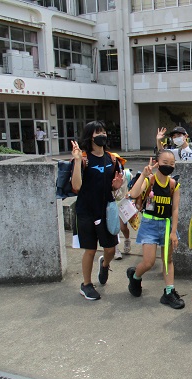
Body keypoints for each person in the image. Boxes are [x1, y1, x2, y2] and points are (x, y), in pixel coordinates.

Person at [71, 121, 123, 301]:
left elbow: (115, 187)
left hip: (106, 210)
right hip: (86, 211)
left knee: (110, 249)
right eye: (97, 132)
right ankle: (86, 284)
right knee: (90, 250)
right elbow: (76, 186)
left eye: (103, 131)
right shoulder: (84, 159)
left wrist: (116, 186)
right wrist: (77, 161)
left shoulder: (112, 159)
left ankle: (105, 264)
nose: (102, 135)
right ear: (89, 136)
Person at [126, 150, 185, 309]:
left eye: (172, 164)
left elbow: (175, 210)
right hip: (149, 225)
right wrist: (143, 176)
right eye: (165, 163)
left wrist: (174, 232)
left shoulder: (174, 185)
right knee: (148, 262)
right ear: (157, 163)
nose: (169, 166)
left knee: (168, 260)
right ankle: (135, 276)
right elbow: (133, 194)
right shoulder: (149, 181)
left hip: (166, 224)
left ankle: (169, 292)